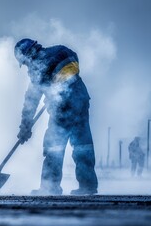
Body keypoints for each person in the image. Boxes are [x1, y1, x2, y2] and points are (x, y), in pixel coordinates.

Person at [14, 38, 98, 195]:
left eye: (24, 63)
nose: (26, 67)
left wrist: (25, 126)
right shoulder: (61, 50)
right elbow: (74, 67)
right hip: (80, 100)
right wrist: (59, 87)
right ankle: (88, 186)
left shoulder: (36, 67)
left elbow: (31, 99)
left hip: (62, 108)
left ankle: (50, 187)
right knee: (82, 145)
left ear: (27, 56)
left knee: (54, 146)